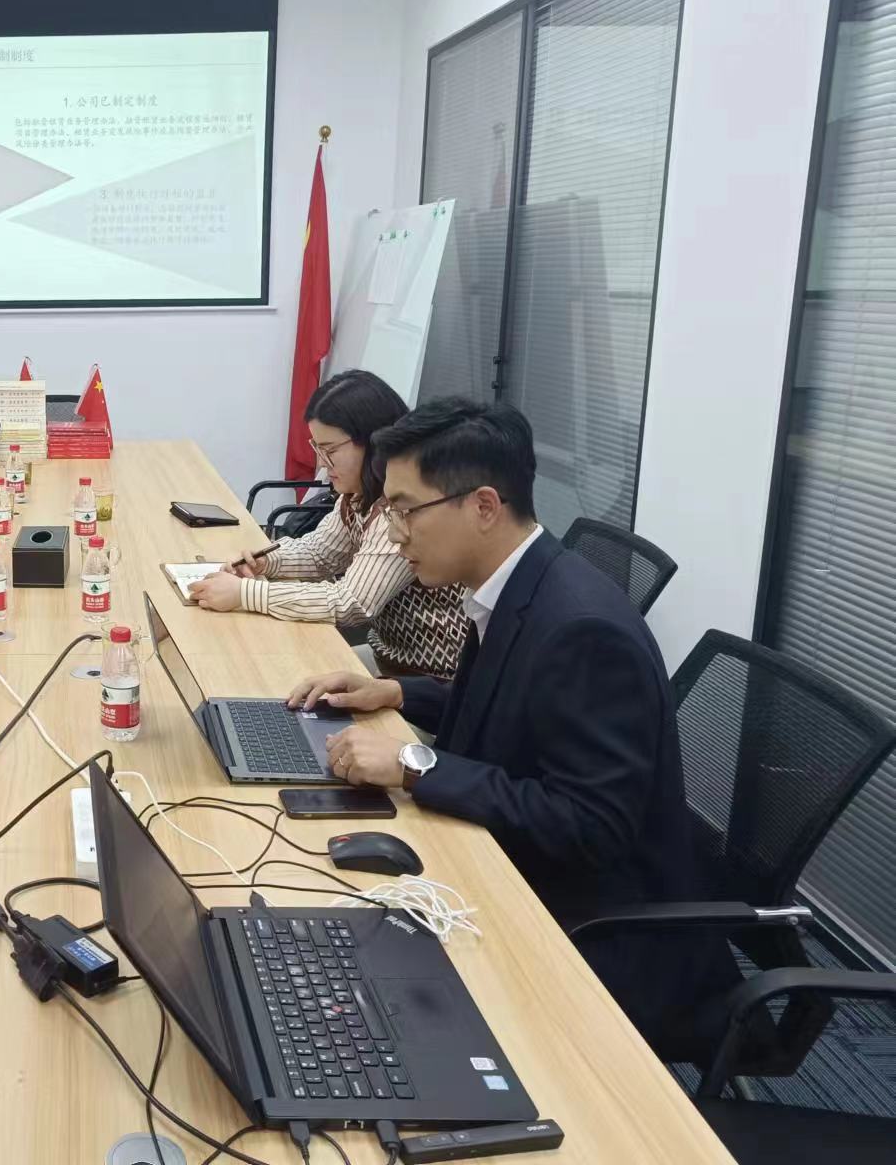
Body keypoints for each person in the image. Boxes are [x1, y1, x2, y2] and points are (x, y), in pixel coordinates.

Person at [284, 399, 730, 1044]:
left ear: (484, 506)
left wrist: (413, 763)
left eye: (405, 510)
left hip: (591, 930)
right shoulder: (519, 582)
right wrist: (392, 692)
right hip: (518, 866)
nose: (395, 533)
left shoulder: (583, 631)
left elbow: (590, 825)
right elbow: (511, 704)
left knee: (361, 1000)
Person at [188, 370, 469, 679]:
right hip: (387, 659)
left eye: (331, 451)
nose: (321, 464)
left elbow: (350, 603)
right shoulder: (359, 495)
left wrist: (246, 594)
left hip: (431, 682)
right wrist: (266, 561)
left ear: (374, 442)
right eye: (318, 450)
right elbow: (320, 553)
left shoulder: (401, 510)